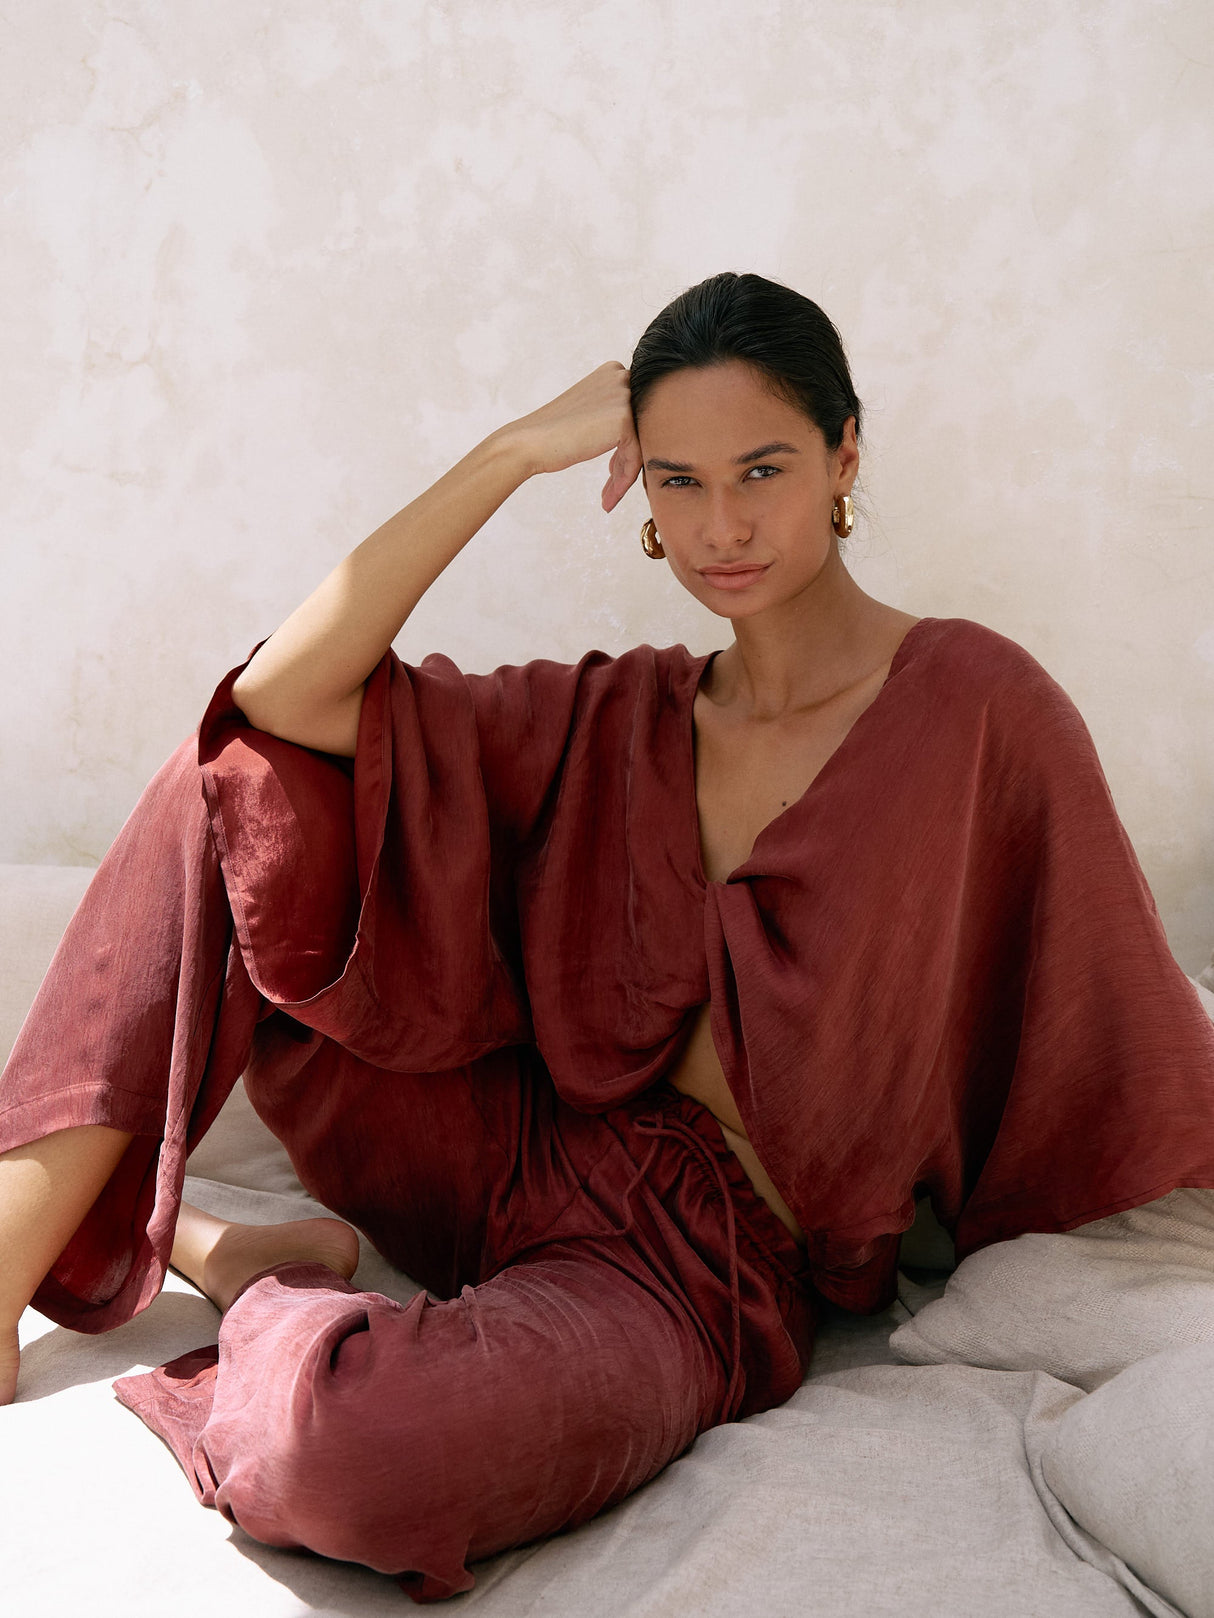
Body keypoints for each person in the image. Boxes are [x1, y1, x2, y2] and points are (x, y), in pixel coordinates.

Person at [2, 271, 1213, 1603]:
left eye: (760, 467)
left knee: (361, 1454)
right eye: (677, 481)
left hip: (682, 1262)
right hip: (478, 1134)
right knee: (231, 774)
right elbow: (286, 697)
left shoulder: (980, 709)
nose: (721, 523)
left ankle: (246, 1273)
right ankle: (14, 1255)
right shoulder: (620, 714)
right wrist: (512, 451)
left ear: (844, 453)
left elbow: (1105, 1013)